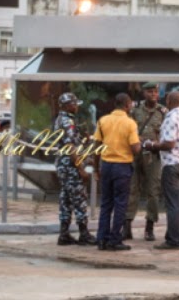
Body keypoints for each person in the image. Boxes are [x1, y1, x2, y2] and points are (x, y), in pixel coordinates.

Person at [144, 91, 179, 250]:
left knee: (173, 204)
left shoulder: (170, 118)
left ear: (168, 101)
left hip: (172, 164)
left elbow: (169, 144)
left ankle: (173, 240)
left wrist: (152, 145)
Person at [93, 93, 141, 251]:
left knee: (106, 203)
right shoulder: (130, 123)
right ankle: (115, 239)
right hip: (122, 166)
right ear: (127, 105)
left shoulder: (103, 120)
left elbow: (96, 146)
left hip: (106, 165)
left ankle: (101, 238)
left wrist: (96, 168)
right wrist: (140, 146)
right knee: (121, 203)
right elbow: (135, 148)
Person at [124, 81, 166, 241]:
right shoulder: (134, 110)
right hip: (135, 154)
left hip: (153, 156)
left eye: (155, 92)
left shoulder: (163, 111)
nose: (153, 95)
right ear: (144, 93)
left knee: (153, 191)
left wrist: (157, 143)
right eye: (149, 92)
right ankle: (127, 226)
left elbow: (167, 132)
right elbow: (128, 129)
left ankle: (150, 227)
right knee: (132, 189)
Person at [54, 92, 97, 246]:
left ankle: (64, 234)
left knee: (66, 199)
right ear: (67, 106)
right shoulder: (67, 122)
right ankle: (83, 233)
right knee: (79, 199)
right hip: (70, 166)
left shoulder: (61, 119)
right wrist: (80, 168)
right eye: (74, 104)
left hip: (63, 165)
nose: (77, 106)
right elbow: (71, 147)